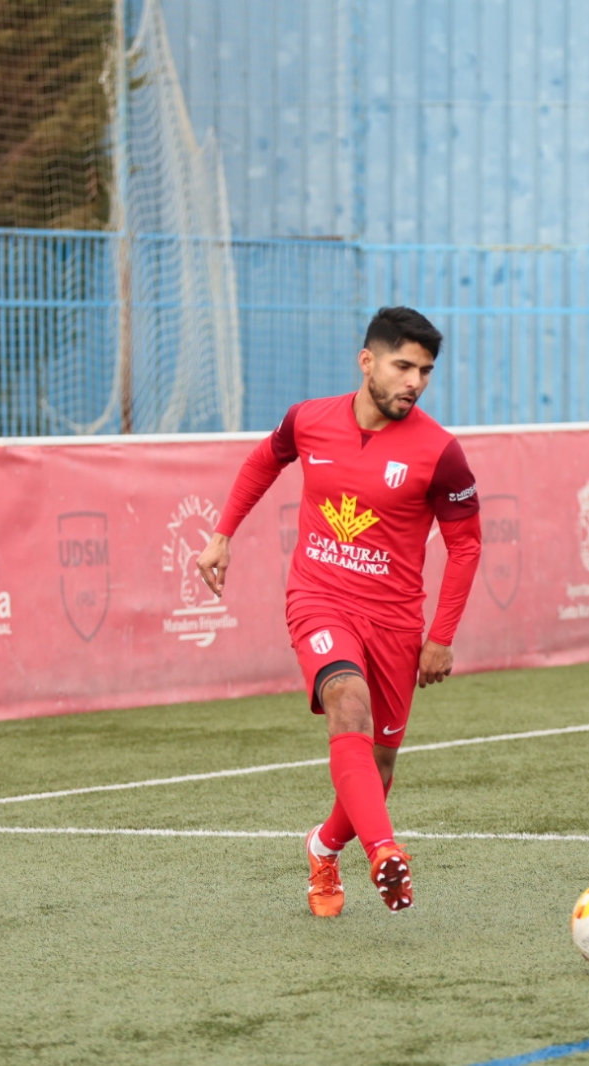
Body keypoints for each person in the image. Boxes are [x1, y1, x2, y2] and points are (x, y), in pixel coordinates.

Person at [196, 306, 482, 915]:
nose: (415, 382)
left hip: (397, 622)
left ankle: (324, 848)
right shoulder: (308, 419)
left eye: (426, 371)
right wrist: (222, 534)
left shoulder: (441, 452)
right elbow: (262, 462)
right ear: (367, 361)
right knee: (345, 702)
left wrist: (442, 636)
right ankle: (384, 852)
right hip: (319, 598)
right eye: (403, 366)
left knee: (376, 772)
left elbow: (466, 544)